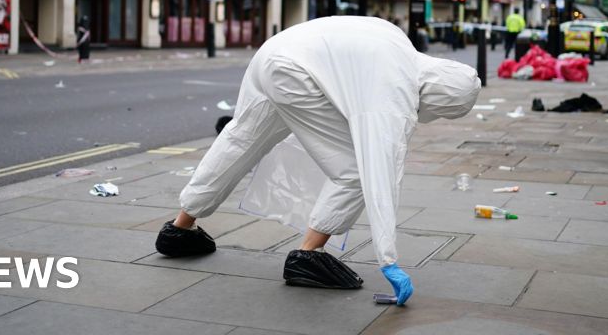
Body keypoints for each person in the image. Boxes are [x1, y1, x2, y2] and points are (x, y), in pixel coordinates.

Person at [155, 16, 480, 306]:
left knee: (241, 138)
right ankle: (308, 255)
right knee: (355, 171)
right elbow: (380, 170)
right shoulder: (396, 87)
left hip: (275, 52)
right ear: (438, 96)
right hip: (296, 73)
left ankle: (179, 229)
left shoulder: (397, 40)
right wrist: (388, 259)